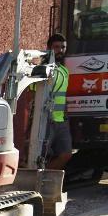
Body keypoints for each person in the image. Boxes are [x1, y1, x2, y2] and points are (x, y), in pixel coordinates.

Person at [41, 33, 72, 171]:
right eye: (56, 47)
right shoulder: (43, 70)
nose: (60, 50)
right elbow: (32, 95)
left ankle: (44, 178)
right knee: (40, 156)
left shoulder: (65, 71)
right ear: (49, 48)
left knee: (66, 155)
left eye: (63, 47)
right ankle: (37, 181)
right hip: (46, 120)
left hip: (61, 121)